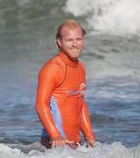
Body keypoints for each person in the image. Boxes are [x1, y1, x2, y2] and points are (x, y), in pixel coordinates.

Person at [36, 19, 96, 148]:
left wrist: (89, 134)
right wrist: (55, 135)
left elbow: (80, 102)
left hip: (74, 145)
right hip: (54, 145)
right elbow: (41, 104)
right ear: (59, 42)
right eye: (70, 40)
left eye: (78, 39)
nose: (75, 44)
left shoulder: (80, 67)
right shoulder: (53, 68)